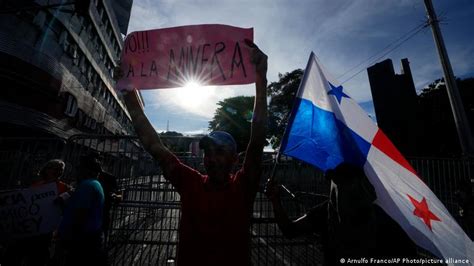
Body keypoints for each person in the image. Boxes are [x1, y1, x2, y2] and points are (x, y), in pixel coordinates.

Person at [119, 40, 267, 266]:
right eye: (208, 152)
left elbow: (256, 142)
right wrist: (129, 95)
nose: (212, 159)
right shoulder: (191, 182)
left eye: (220, 152)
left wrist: (260, 79)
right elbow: (155, 147)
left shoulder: (243, 187)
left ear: (235, 159)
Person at [265, 163, 417, 265]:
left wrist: (275, 200)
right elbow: (289, 230)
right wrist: (275, 200)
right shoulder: (326, 211)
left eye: (344, 183)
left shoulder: (382, 219)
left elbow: (289, 230)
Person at [57, 155, 107, 266]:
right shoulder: (94, 184)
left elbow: (80, 213)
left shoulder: (87, 186)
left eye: (79, 169)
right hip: (90, 236)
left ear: (86, 170)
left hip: (82, 238)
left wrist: (69, 237)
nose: (77, 172)